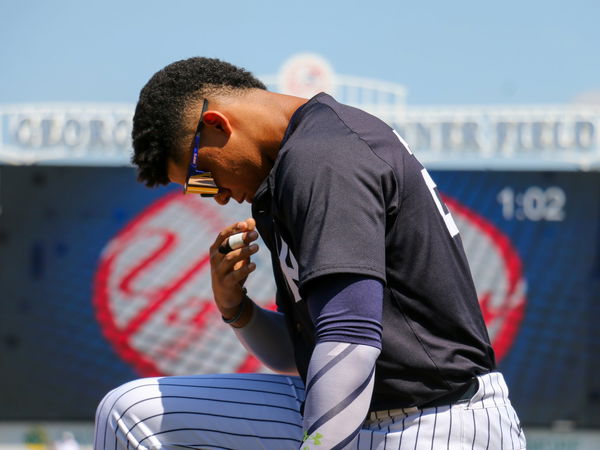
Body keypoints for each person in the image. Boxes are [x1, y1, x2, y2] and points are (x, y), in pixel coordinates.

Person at [94, 57, 526, 449]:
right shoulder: (291, 168)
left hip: (435, 422)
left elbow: (350, 341)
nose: (217, 197)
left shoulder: (322, 155)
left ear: (217, 124)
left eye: (201, 179)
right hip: (364, 411)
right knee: (130, 413)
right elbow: (301, 355)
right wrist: (236, 307)